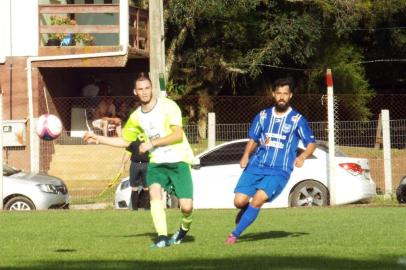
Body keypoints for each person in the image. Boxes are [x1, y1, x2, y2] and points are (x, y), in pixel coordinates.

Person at [83, 72, 195, 249]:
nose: (144, 92)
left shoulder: (169, 106)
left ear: (152, 89)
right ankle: (162, 237)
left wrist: (152, 143)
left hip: (178, 160)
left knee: (187, 207)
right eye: (140, 89)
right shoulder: (136, 117)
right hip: (157, 163)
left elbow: (177, 134)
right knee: (154, 194)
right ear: (135, 92)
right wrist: (98, 138)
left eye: (147, 88)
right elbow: (125, 141)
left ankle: (183, 229)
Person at [225, 77, 317, 245]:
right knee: (239, 201)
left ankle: (234, 235)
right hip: (257, 165)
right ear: (274, 95)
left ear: (290, 96)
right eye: (279, 93)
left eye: (285, 94)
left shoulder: (297, 120)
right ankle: (246, 210)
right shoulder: (262, 116)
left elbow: (311, 143)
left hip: (279, 170)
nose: (282, 97)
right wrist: (245, 155)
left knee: (258, 199)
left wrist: (302, 156)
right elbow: (254, 138)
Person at [120, 140, 150, 210]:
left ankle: (147, 208)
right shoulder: (132, 140)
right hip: (134, 165)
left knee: (146, 187)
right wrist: (123, 165)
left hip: (146, 164)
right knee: (134, 187)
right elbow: (128, 152)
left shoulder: (148, 138)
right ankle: (134, 209)